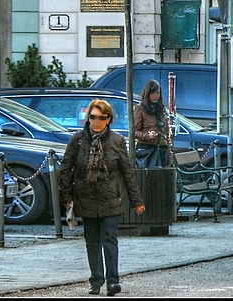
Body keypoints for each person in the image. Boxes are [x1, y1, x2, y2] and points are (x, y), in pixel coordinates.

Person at [58, 98, 145, 296]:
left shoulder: (116, 141)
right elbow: (65, 169)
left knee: (109, 239)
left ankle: (112, 281)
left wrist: (136, 200)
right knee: (92, 241)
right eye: (92, 117)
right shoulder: (77, 140)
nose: (96, 121)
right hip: (86, 197)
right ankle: (96, 281)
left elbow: (127, 172)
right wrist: (66, 196)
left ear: (108, 120)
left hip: (110, 198)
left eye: (101, 118)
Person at [133, 79, 172, 168]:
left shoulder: (161, 110)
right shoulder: (140, 109)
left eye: (158, 93)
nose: (155, 96)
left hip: (162, 149)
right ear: (148, 94)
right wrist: (147, 135)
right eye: (152, 93)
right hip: (147, 150)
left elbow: (165, 132)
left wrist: (169, 158)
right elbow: (134, 132)